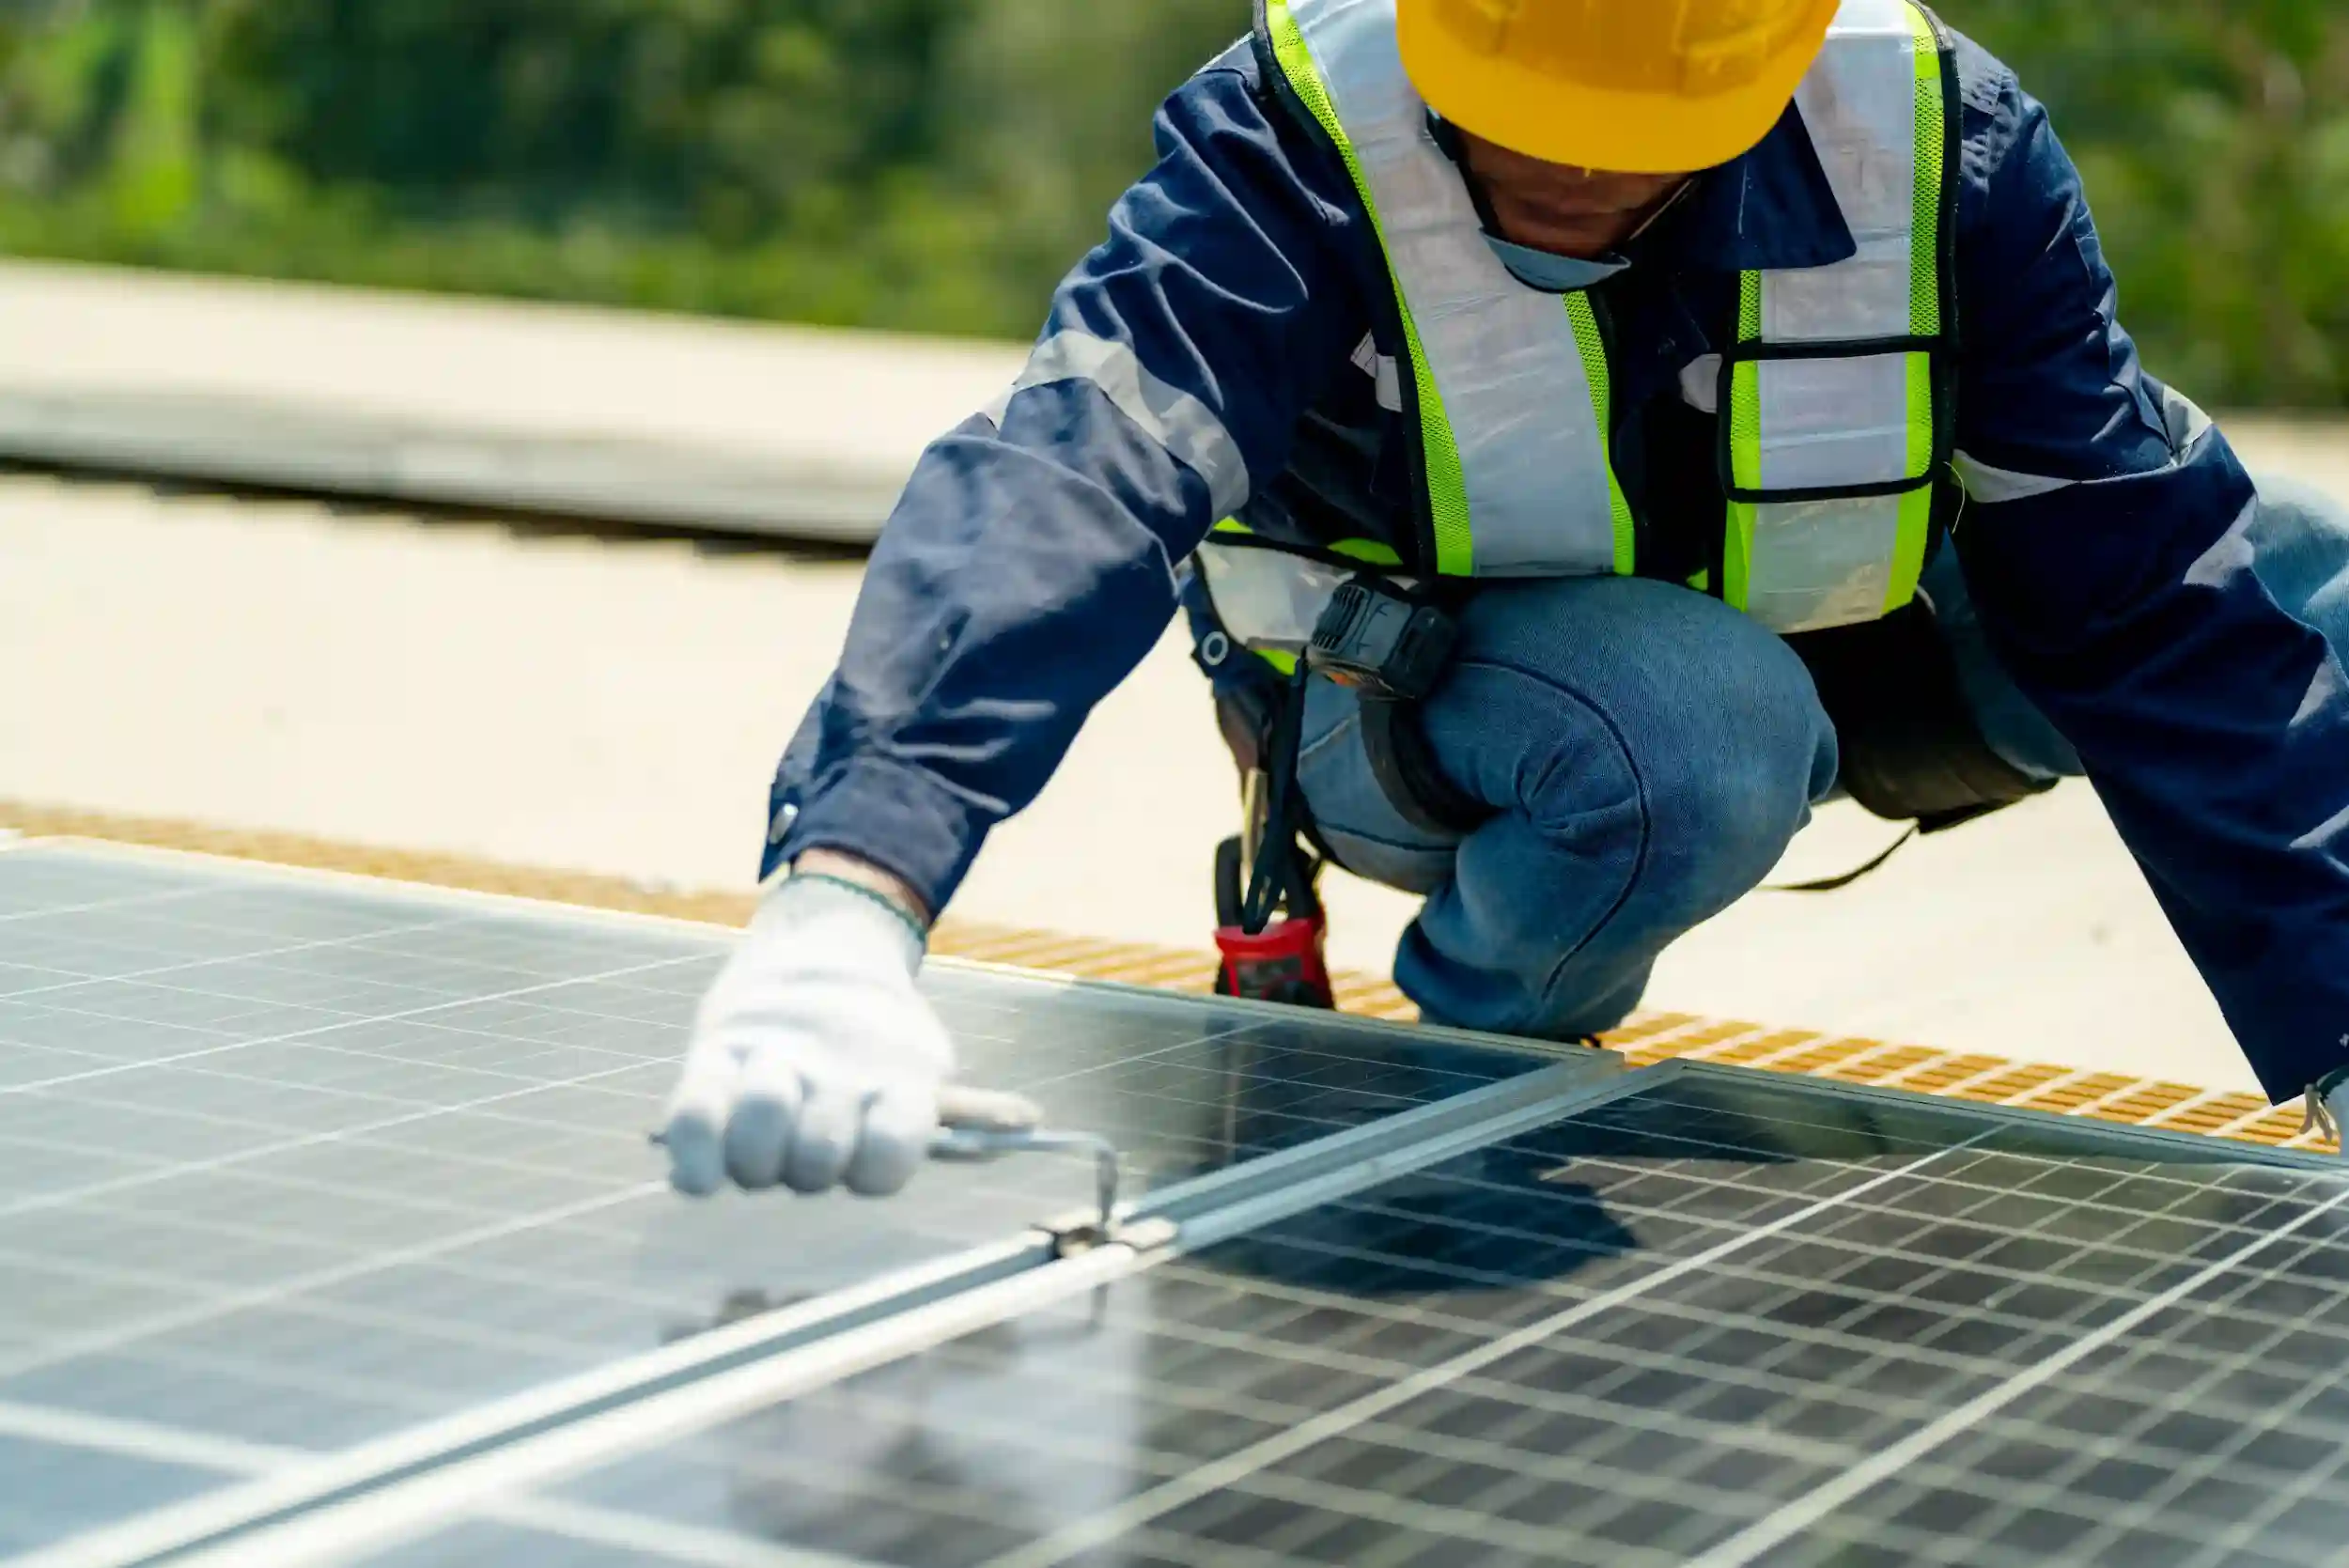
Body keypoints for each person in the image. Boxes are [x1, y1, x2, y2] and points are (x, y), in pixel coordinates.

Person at [660, 0, 2349, 1200]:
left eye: (1634, 139)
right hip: (1432, 716)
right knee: (1698, 722)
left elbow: (2157, 594)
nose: (1570, 172)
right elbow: (1073, 474)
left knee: (2284, 569)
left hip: (1830, 660)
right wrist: (851, 895)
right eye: (1524, 115)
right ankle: (1461, 1073)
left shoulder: (1935, 138)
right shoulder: (1295, 136)